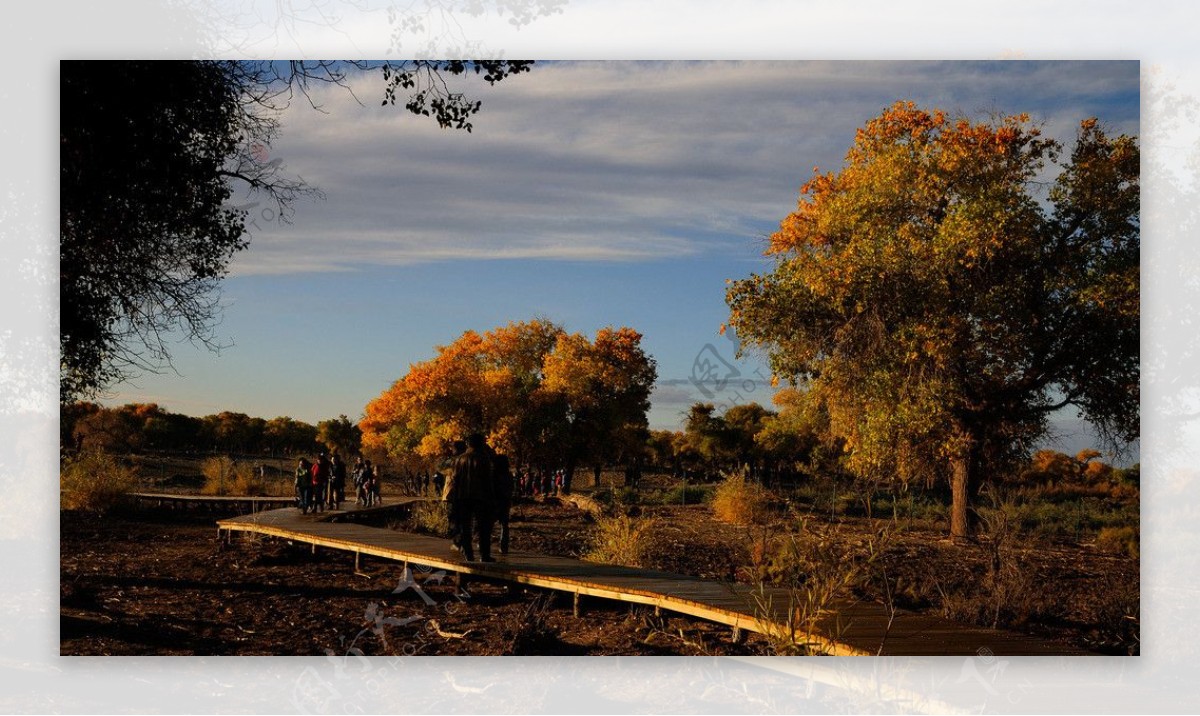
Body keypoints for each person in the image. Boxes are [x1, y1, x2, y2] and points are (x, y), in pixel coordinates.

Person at [449, 433, 495, 562]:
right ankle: (484, 555)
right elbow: (487, 480)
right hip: (480, 497)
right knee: (483, 527)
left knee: (465, 526)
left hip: (462, 497)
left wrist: (455, 496)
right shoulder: (483, 458)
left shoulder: (460, 459)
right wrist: (491, 498)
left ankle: (468, 554)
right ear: (480, 443)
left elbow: (455, 479)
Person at [493, 454, 514, 555]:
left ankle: (484, 545)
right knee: (504, 525)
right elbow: (511, 488)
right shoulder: (508, 475)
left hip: (494, 501)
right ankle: (503, 546)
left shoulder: (493, 474)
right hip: (505, 501)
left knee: (489, 525)